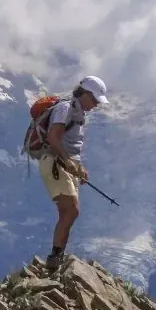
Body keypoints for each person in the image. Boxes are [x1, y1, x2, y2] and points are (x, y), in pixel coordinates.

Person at [39, 75, 108, 271]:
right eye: (94, 100)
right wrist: (69, 162)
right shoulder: (65, 108)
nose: (95, 105)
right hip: (54, 162)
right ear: (84, 94)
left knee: (68, 211)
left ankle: (57, 256)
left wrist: (79, 168)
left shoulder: (78, 113)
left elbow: (71, 145)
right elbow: (53, 137)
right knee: (72, 210)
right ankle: (55, 257)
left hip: (64, 164)